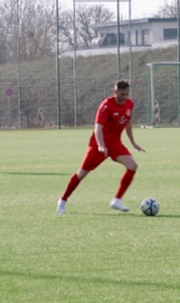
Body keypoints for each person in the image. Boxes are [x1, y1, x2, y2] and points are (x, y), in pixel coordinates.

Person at [57, 79, 144, 215]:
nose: (124, 97)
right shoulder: (106, 106)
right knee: (81, 174)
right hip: (98, 145)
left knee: (132, 166)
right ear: (115, 92)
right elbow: (98, 127)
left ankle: (117, 200)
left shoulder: (129, 104)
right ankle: (63, 200)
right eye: (122, 94)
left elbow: (128, 123)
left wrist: (133, 142)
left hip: (115, 144)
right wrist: (101, 145)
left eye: (127, 94)